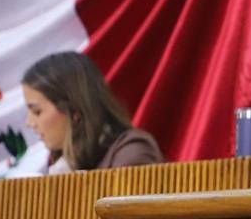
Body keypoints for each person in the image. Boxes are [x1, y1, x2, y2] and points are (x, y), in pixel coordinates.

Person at [21, 52, 163, 173]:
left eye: (37, 111)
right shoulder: (63, 164)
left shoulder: (132, 152)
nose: (29, 123)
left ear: (74, 111)